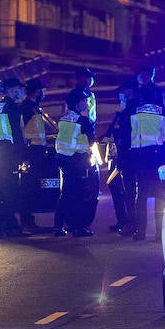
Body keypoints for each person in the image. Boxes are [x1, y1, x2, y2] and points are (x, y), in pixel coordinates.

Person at [123, 63, 165, 241]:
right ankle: (160, 233)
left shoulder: (132, 112)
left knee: (141, 194)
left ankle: (141, 231)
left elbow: (125, 133)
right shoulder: (162, 112)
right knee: (160, 194)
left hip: (140, 157)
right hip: (158, 157)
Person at [52, 90, 97, 237]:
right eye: (84, 101)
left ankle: (58, 226)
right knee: (79, 195)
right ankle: (78, 228)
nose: (86, 104)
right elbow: (91, 141)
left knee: (65, 194)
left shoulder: (64, 119)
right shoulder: (83, 121)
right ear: (78, 103)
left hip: (63, 159)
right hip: (78, 160)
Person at [0, 77, 27, 237]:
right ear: (11, 90)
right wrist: (23, 154)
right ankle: (12, 226)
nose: (20, 92)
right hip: (10, 152)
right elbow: (17, 133)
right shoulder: (12, 108)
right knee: (11, 191)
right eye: (18, 89)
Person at [19, 77, 54, 231]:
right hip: (31, 152)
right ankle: (26, 220)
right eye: (42, 90)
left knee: (33, 187)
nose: (44, 93)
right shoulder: (27, 107)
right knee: (29, 187)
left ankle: (28, 219)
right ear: (37, 91)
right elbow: (23, 132)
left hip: (37, 151)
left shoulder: (34, 107)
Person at [102, 78, 136, 233]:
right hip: (116, 157)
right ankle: (123, 221)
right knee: (116, 188)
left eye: (122, 93)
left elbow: (125, 135)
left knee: (129, 191)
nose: (120, 97)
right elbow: (112, 132)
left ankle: (130, 223)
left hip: (127, 157)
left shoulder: (131, 111)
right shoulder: (122, 113)